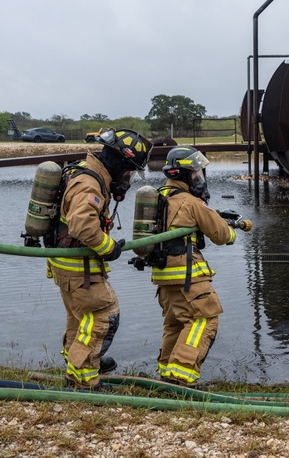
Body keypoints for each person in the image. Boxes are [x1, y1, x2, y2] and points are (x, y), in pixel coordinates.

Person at [48, 128, 151, 388]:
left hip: (66, 263)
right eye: (128, 170)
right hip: (78, 266)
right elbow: (82, 225)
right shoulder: (89, 183)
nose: (127, 178)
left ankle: (77, 362)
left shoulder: (84, 170)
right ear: (118, 162)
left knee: (80, 318)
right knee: (104, 314)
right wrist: (109, 248)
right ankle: (83, 378)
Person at [143, 146, 250, 387]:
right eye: (196, 174)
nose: (199, 179)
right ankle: (181, 378)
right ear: (185, 175)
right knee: (205, 319)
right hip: (188, 276)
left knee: (175, 324)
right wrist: (232, 228)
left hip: (162, 277)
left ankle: (166, 375)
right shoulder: (191, 203)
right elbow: (222, 235)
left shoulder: (157, 198)